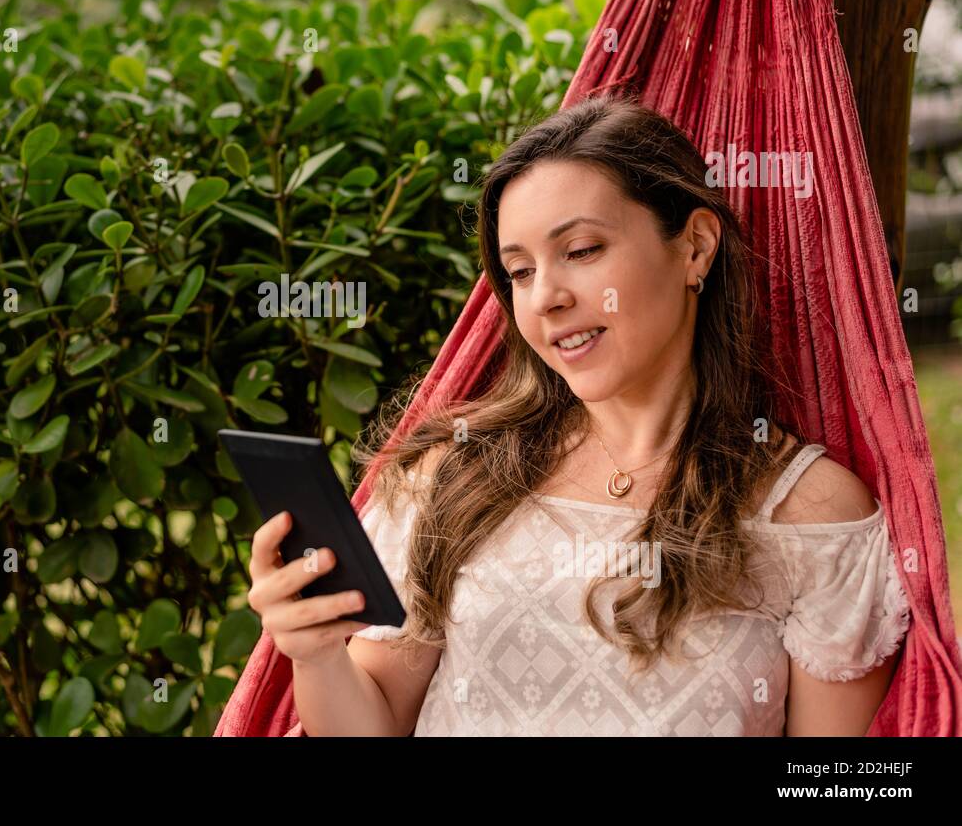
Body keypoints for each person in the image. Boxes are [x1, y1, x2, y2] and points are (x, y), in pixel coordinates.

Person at [245, 95, 912, 736]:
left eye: (583, 250)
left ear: (696, 247)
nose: (546, 299)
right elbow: (374, 720)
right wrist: (317, 653)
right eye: (520, 271)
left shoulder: (811, 519)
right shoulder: (457, 474)